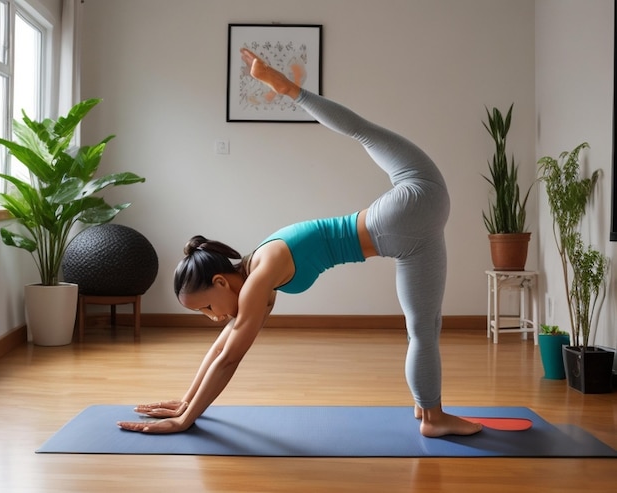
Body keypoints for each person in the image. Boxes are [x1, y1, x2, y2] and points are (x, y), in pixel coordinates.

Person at [117, 48, 482, 438]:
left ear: (221, 282)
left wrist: (185, 419)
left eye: (206, 306)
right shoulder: (259, 271)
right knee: (423, 329)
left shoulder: (260, 280)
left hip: (405, 211)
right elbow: (223, 347)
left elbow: (228, 359)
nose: (213, 318)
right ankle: (430, 412)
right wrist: (187, 400)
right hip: (413, 226)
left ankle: (291, 90)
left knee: (360, 131)